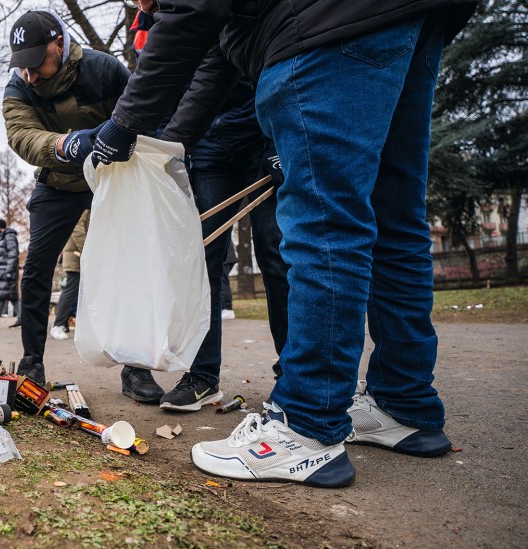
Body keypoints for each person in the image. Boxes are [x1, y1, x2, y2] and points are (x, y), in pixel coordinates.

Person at [83, 0, 474, 487]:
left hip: (324, 28)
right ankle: (404, 403)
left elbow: (195, 9)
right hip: (409, 19)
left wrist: (124, 124)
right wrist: (162, 148)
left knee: (325, 226)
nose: (146, 7)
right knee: (395, 220)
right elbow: (213, 67)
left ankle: (305, 426)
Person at [2, 9, 164, 404]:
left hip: (113, 179)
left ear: (59, 43)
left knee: (129, 264)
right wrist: (63, 144)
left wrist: (126, 140)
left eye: (37, 62)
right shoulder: (18, 87)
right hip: (58, 181)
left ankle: (136, 367)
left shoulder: (104, 69)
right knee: (38, 264)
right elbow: (21, 135)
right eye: (22, 66)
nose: (30, 75)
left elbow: (143, 113)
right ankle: (31, 361)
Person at [156, 81, 290, 412]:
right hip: (207, 144)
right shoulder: (163, 30)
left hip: (260, 131)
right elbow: (166, 82)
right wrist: (168, 147)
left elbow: (277, 60)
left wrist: (278, 140)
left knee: (275, 253)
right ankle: (202, 377)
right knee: (203, 258)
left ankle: (294, 375)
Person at [50, 209, 88, 341]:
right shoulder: (85, 206)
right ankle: (58, 325)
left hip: (77, 255)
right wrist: (87, 249)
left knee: (78, 291)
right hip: (77, 255)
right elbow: (77, 229)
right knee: (71, 290)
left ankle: (64, 323)